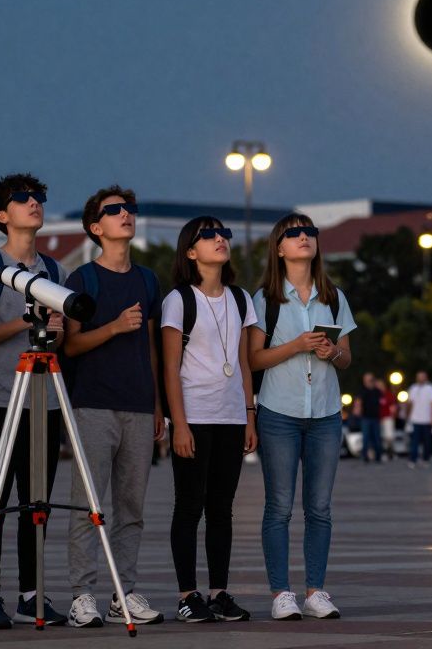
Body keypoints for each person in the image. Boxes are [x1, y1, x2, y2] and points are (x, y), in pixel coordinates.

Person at [0, 173, 68, 629]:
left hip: (45, 400)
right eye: (23, 199)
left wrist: (57, 331)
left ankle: (33, 593)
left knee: (37, 502)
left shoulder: (55, 271)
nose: (35, 204)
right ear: (2, 215)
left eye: (39, 198)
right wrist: (25, 322)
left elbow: (61, 337)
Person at [63, 185, 165, 628]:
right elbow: (70, 344)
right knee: (89, 504)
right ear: (96, 227)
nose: (126, 215)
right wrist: (114, 327)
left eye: (130, 210)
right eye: (115, 211)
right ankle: (81, 594)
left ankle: (124, 593)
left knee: (132, 508)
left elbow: (152, 346)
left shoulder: (147, 279)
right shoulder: (82, 279)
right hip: (93, 405)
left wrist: (158, 403)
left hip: (139, 406)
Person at [248, 214, 355, 621]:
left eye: (309, 232)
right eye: (293, 233)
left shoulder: (334, 296)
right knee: (278, 506)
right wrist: (295, 346)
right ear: (279, 247)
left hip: (326, 412)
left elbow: (347, 358)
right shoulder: (266, 299)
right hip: (280, 412)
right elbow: (253, 358)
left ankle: (316, 591)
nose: (304, 238)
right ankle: (281, 592)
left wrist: (332, 352)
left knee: (320, 507)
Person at [162, 216, 258, 623]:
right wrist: (178, 424)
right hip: (194, 415)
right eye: (208, 236)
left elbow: (243, 362)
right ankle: (188, 594)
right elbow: (169, 368)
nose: (219, 240)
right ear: (190, 251)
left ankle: (219, 591)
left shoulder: (240, 298)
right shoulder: (178, 299)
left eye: (223, 234)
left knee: (222, 508)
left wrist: (250, 414)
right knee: (189, 505)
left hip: (232, 415)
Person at [406, 371, 432, 467]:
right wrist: (408, 415)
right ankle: (413, 459)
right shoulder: (413, 388)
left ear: (426, 377)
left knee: (427, 441)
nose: (420, 378)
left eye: (422, 377)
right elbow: (410, 403)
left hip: (427, 419)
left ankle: (426, 459)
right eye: (419, 377)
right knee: (414, 441)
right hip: (415, 419)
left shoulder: (431, 388)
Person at [353, 373, 384, 463]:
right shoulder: (362, 390)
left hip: (376, 417)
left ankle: (378, 456)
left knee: (377, 437)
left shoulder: (377, 391)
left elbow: (382, 402)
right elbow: (358, 402)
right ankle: (365, 456)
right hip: (365, 417)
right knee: (365, 438)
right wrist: (357, 411)